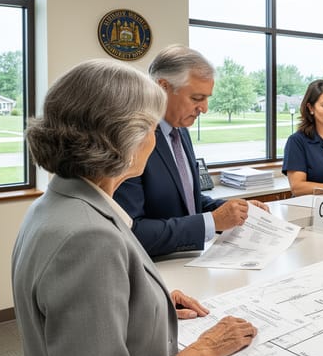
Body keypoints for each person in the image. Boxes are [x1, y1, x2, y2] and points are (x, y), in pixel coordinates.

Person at [6, 59, 257, 356]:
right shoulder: (88, 239)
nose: (157, 138)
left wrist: (147, 301)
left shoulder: (54, 208)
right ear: (124, 136)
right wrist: (203, 350)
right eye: (151, 126)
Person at [114, 45, 268, 257]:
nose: (204, 108)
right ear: (163, 87)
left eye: (207, 98)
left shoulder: (180, 131)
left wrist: (235, 210)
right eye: (196, 98)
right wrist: (212, 221)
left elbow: (188, 202)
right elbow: (132, 231)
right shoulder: (133, 139)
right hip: (153, 271)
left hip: (189, 262)